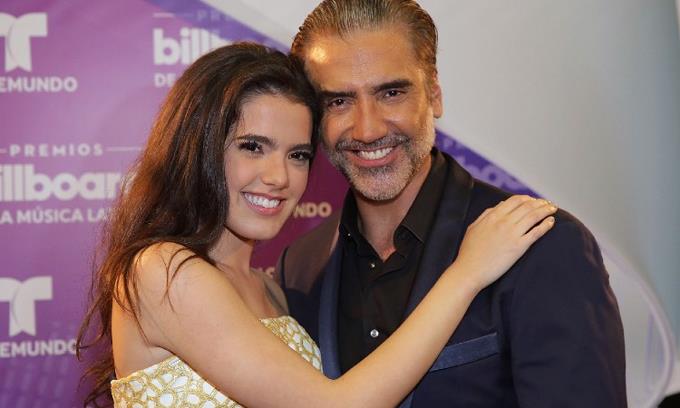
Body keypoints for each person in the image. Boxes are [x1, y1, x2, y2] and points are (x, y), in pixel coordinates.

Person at [75, 42, 556, 407]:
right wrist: (465, 274)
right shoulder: (163, 271)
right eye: (252, 147)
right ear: (197, 146)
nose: (279, 177)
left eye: (299, 155)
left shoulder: (272, 289)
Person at [278, 0, 627, 407]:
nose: (367, 129)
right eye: (338, 101)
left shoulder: (542, 246)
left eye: (391, 93)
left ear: (435, 94)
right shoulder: (300, 266)